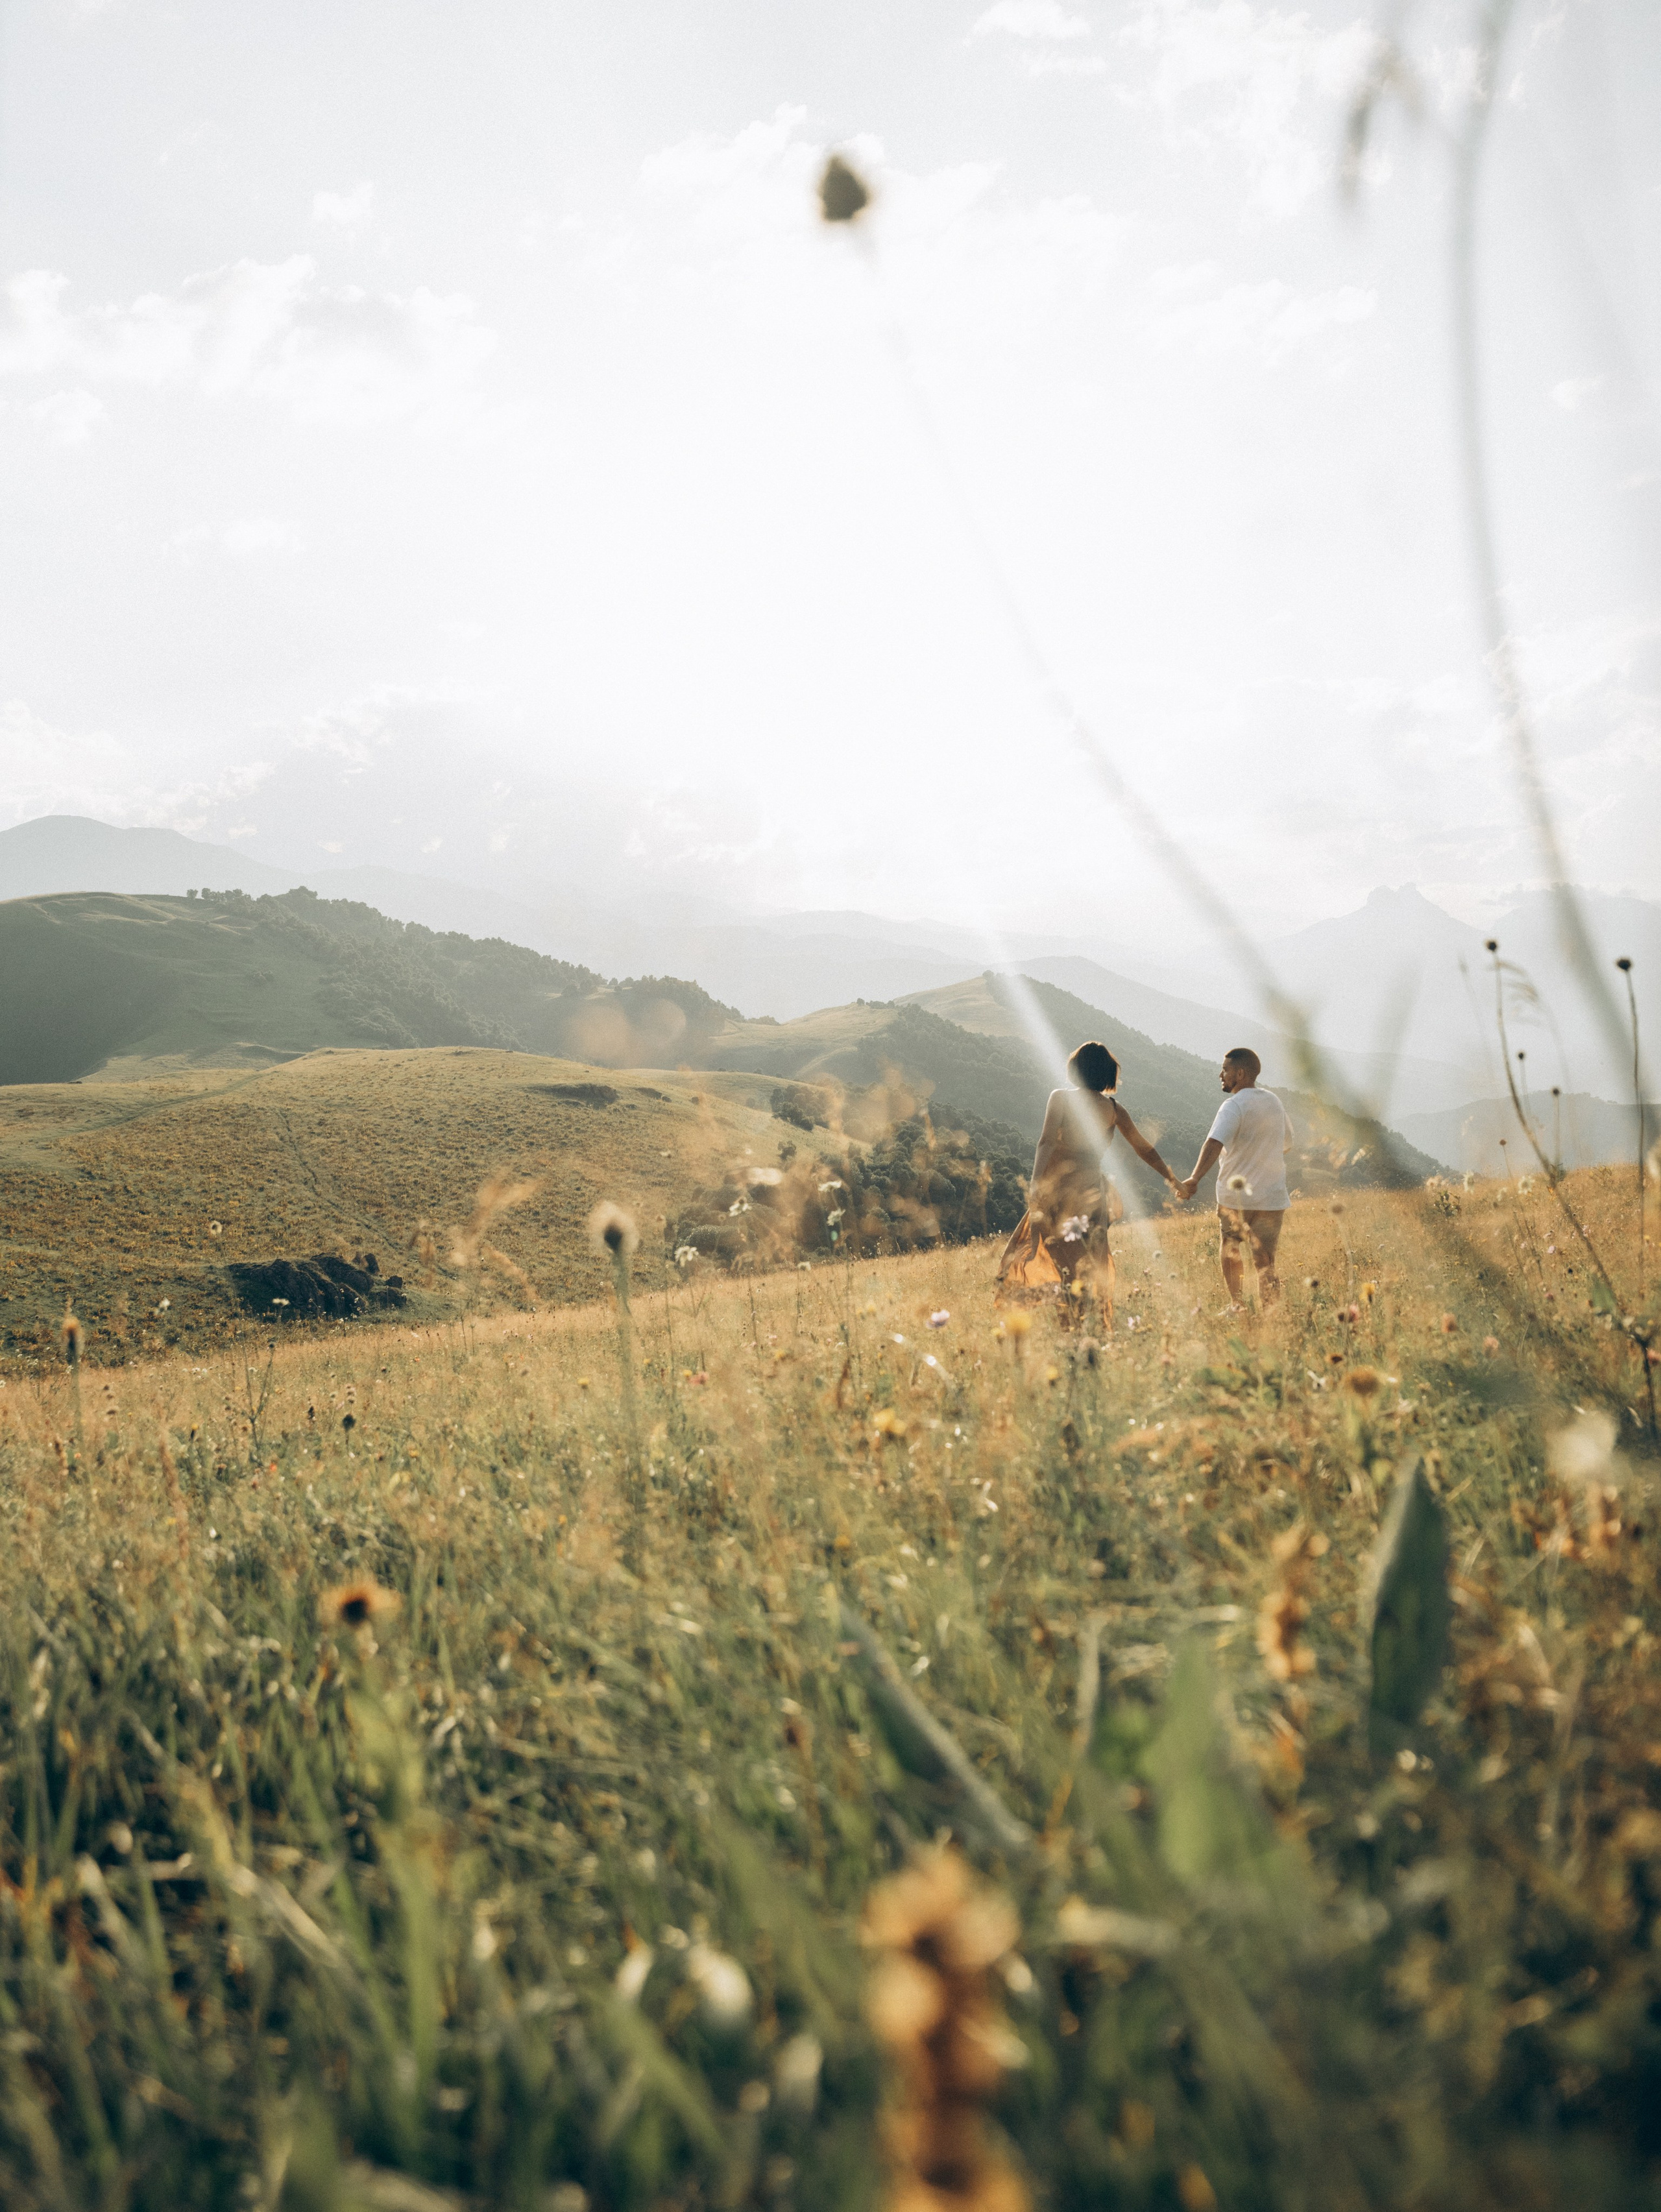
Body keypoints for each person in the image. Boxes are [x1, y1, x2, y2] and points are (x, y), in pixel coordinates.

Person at [997, 1040, 1181, 1318]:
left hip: (1059, 1192)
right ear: (1108, 1073)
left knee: (1055, 1260)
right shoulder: (1114, 1110)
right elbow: (1145, 1149)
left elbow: (1046, 1142)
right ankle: (1085, 1321)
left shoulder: (1061, 1098)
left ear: (1076, 1069)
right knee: (1088, 1262)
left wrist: (1035, 1184)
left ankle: (1073, 1323)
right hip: (1093, 1195)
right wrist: (1174, 1181)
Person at [1176, 1046, 1292, 1308]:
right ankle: (1271, 1312)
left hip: (1235, 1196)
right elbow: (1286, 1143)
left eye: (1226, 1070)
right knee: (1266, 1259)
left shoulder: (1233, 1105)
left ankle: (1237, 1305)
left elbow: (1214, 1142)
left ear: (1240, 1074)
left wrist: (1194, 1178)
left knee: (1231, 1249)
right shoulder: (1274, 1101)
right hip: (1271, 1196)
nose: (1221, 1074)